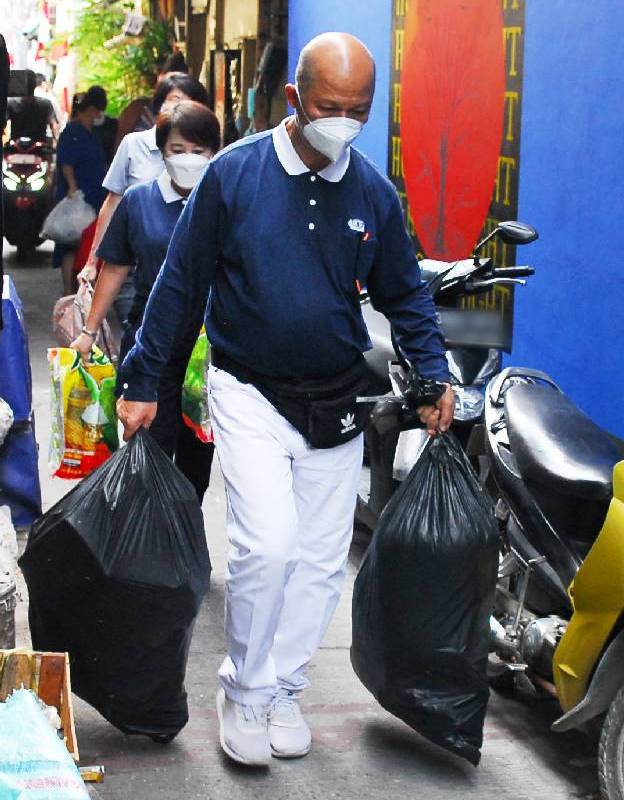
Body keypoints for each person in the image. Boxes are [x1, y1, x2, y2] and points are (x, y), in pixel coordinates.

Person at [117, 33, 455, 767]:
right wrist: (145, 380)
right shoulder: (233, 177)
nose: (343, 122)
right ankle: (240, 690)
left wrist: (433, 375)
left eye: (358, 110)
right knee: (266, 546)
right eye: (330, 107)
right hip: (249, 390)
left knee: (319, 564)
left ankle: (283, 691)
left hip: (337, 403)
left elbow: (406, 294)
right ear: (295, 101)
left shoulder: (373, 193)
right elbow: (179, 284)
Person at [69, 101, 221, 500]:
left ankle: (183, 541)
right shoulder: (139, 202)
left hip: (207, 356)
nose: (188, 160)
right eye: (176, 150)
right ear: (161, 152)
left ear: (213, 154)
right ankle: (144, 548)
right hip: (151, 350)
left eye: (198, 151)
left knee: (196, 467)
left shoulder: (224, 205)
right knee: (147, 456)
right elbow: (115, 268)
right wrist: (87, 332)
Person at [78, 73, 212, 323]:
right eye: (172, 101)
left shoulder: (210, 157)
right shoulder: (135, 148)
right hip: (136, 268)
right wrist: (93, 260)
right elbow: (113, 202)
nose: (179, 110)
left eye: (189, 103)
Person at [53, 86, 109, 288]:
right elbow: (66, 164)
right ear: (92, 109)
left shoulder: (90, 133)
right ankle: (69, 289)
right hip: (78, 194)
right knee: (70, 244)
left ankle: (82, 288)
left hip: (93, 194)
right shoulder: (72, 132)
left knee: (86, 242)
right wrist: (72, 188)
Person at [7, 74, 60, 141]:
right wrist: (56, 141)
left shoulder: (11, 103)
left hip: (16, 147)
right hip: (39, 148)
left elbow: (1, 124)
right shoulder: (45, 104)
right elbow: (54, 125)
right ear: (35, 85)